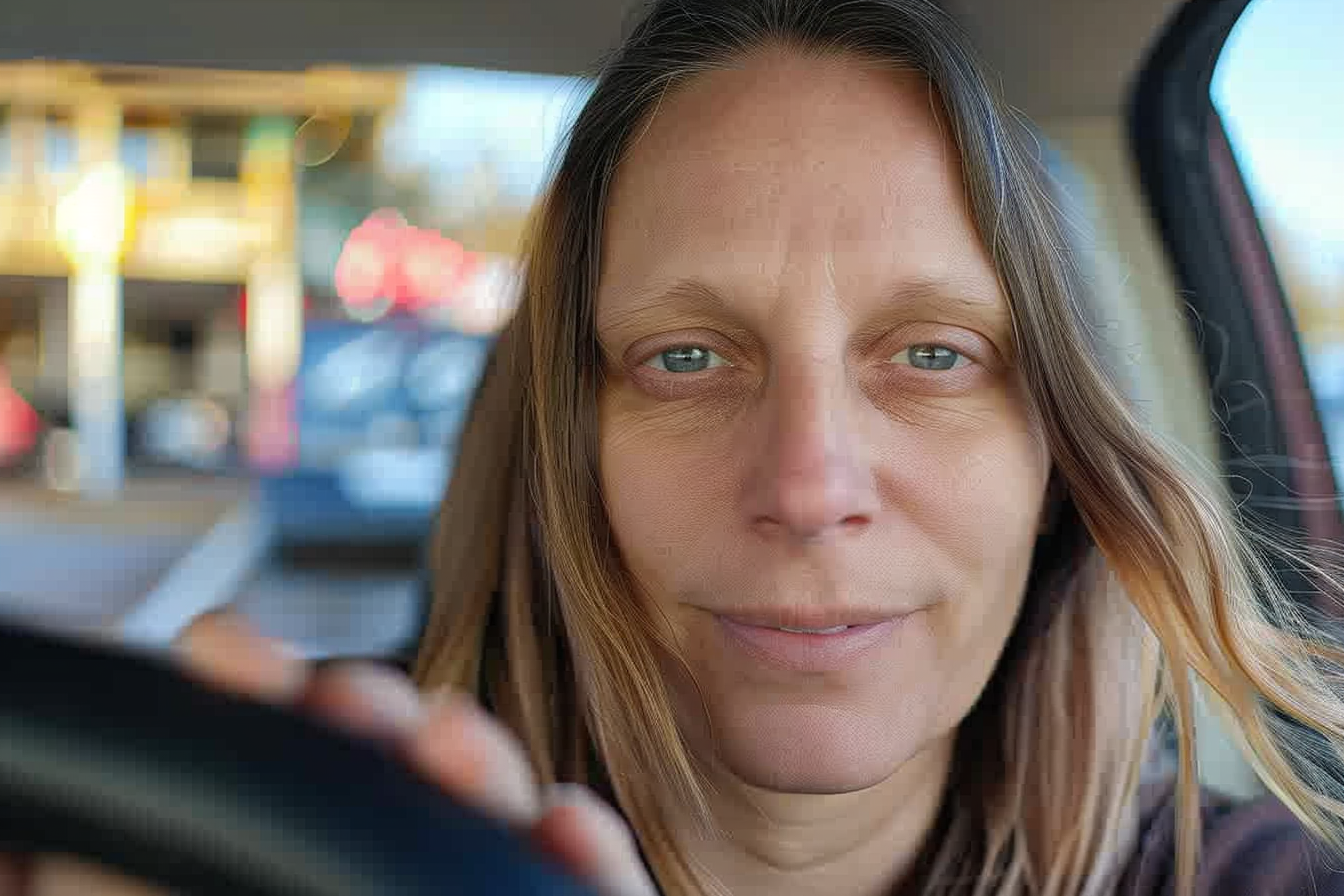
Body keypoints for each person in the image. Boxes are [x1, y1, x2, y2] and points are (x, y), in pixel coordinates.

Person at [7, 1, 1344, 894]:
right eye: (686, 359)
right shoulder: (252, 820)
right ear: (560, 448)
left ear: (1062, 461)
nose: (810, 487)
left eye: (934, 356)